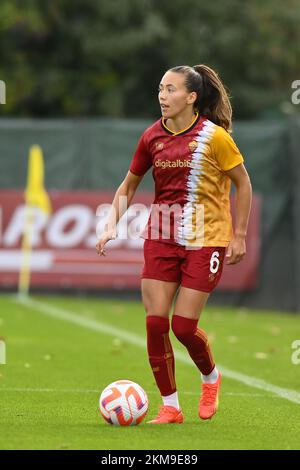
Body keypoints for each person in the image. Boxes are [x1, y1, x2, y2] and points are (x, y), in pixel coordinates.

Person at [96, 64, 252, 424]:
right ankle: (171, 407)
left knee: (183, 327)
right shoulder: (152, 136)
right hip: (161, 237)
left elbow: (243, 184)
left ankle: (210, 376)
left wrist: (239, 234)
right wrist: (110, 225)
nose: (163, 97)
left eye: (171, 90)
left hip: (206, 239)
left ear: (191, 97)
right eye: (161, 89)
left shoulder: (215, 138)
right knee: (155, 324)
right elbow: (129, 185)